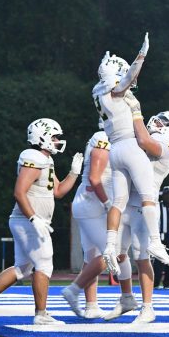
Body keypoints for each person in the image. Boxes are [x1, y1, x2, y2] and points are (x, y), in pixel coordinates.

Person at [0, 118, 83, 325]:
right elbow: (19, 192)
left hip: (30, 221)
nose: (58, 140)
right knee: (44, 265)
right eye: (54, 136)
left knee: (22, 268)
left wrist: (74, 173)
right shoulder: (33, 157)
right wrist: (33, 218)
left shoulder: (45, 160)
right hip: (28, 221)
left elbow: (58, 192)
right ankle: (41, 314)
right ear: (42, 137)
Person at [91, 33, 169, 275]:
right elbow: (127, 79)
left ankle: (109, 247)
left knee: (118, 202)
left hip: (114, 150)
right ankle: (156, 243)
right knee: (149, 196)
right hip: (129, 146)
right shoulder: (114, 90)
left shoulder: (98, 92)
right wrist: (141, 55)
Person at [105, 108, 169, 324]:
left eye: (163, 121)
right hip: (125, 206)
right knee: (119, 255)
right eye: (158, 118)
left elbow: (145, 142)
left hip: (143, 208)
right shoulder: (145, 138)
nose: (157, 121)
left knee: (141, 258)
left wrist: (135, 114)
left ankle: (148, 307)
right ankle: (126, 298)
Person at [61, 119, 112, 319]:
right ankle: (74, 290)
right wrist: (108, 203)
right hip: (94, 203)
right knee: (111, 253)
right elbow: (95, 178)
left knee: (92, 257)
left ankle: (91, 305)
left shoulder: (105, 138)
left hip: (90, 202)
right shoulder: (103, 138)